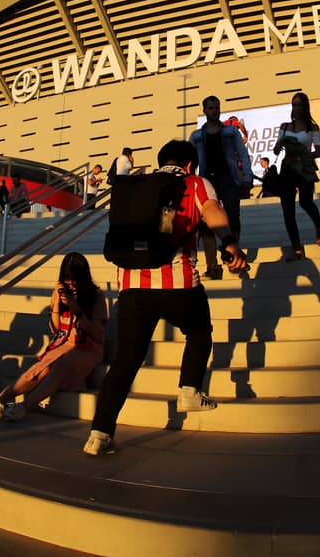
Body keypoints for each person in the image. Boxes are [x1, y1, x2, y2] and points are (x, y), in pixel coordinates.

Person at [83, 140, 247, 456]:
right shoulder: (194, 182)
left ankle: (99, 434)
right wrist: (229, 242)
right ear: (189, 165)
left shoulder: (136, 186)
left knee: (125, 363)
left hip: (131, 286)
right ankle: (189, 390)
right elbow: (212, 210)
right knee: (200, 331)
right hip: (178, 283)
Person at [0, 252, 108, 422]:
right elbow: (55, 329)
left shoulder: (96, 296)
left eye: (75, 279)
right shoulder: (59, 292)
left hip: (88, 347)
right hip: (64, 343)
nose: (71, 284)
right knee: (40, 369)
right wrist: (58, 304)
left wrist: (76, 308)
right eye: (67, 279)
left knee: (60, 365)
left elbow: (96, 334)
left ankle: (23, 406)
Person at [190, 95, 252, 277]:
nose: (214, 111)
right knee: (207, 224)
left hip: (228, 179)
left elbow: (243, 154)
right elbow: (190, 161)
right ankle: (212, 266)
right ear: (204, 111)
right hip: (206, 181)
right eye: (210, 108)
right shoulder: (196, 136)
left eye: (217, 107)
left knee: (233, 217)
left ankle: (234, 258)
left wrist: (247, 178)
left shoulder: (231, 132)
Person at [272, 92, 320, 260]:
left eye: (300, 105)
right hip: (287, 168)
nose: (297, 108)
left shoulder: (312, 128)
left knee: (305, 201)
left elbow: (319, 151)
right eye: (294, 105)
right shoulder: (285, 126)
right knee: (288, 209)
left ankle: (319, 225)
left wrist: (303, 155)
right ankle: (296, 246)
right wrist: (281, 143)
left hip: (304, 168)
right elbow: (275, 150)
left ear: (306, 107)